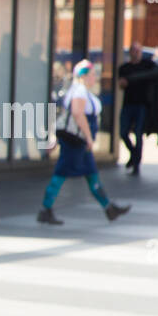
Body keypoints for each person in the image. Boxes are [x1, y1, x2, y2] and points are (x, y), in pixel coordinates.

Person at [37, 59, 130, 224]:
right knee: (61, 173)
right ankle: (45, 209)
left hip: (79, 142)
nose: (95, 77)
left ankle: (108, 208)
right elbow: (77, 114)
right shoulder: (79, 91)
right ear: (85, 76)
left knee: (92, 174)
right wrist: (88, 137)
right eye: (93, 74)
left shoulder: (80, 90)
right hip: (76, 142)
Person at [116, 42, 158, 176]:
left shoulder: (147, 65)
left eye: (138, 50)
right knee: (123, 132)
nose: (136, 53)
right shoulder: (125, 68)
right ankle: (134, 155)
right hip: (128, 104)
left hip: (142, 105)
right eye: (134, 50)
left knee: (138, 133)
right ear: (130, 52)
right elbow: (121, 84)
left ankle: (136, 163)